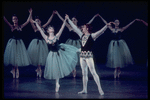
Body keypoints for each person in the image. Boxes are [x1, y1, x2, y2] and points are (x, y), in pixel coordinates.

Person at [65, 14, 110, 95]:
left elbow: (101, 32)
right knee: (84, 73)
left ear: (87, 28)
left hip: (89, 57)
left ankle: (100, 89)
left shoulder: (92, 36)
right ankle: (84, 89)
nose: (82, 28)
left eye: (84, 27)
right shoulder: (81, 35)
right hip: (82, 57)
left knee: (93, 72)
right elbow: (74, 28)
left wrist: (106, 26)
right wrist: (68, 19)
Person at [32, 15, 78, 92]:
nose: (51, 28)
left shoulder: (57, 36)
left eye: (52, 28)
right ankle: (57, 83)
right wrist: (36, 23)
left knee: (59, 68)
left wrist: (65, 20)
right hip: (52, 55)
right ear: (47, 31)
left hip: (59, 53)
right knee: (55, 69)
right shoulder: (46, 38)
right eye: (50, 28)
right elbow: (40, 30)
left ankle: (57, 83)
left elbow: (62, 28)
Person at [55, 11, 100, 77]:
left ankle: (83, 68)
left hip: (78, 43)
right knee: (72, 55)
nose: (73, 21)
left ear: (77, 21)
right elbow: (63, 20)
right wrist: (58, 14)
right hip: (70, 43)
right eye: (72, 20)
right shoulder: (70, 27)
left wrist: (94, 17)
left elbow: (88, 23)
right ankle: (73, 69)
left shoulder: (80, 28)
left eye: (74, 20)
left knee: (79, 55)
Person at [98, 14, 139, 78]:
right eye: (115, 22)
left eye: (118, 22)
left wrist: (134, 20)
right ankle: (116, 70)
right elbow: (106, 23)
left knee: (119, 57)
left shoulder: (121, 29)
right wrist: (100, 17)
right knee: (115, 58)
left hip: (120, 45)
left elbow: (129, 25)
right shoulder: (112, 29)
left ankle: (117, 70)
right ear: (114, 23)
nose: (117, 23)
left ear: (119, 23)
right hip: (113, 45)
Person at [3, 8, 32, 78]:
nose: (14, 20)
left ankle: (16, 69)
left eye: (15, 19)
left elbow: (28, 21)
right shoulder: (12, 26)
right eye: (13, 19)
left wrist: (31, 13)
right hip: (12, 43)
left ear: (17, 19)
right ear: (12, 20)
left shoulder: (20, 26)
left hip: (19, 43)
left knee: (17, 56)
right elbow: (5, 20)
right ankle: (14, 69)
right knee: (13, 56)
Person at [28, 10, 56, 78]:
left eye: (38, 21)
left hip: (42, 43)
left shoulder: (43, 27)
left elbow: (48, 21)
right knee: (37, 57)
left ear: (40, 21)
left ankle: (39, 69)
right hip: (36, 43)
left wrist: (52, 15)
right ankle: (39, 69)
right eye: (36, 21)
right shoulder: (35, 28)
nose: (37, 22)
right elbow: (30, 21)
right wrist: (31, 13)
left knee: (41, 57)